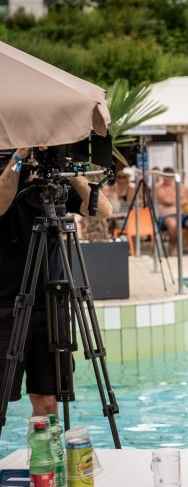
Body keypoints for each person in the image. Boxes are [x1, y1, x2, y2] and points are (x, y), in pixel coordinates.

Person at [0, 147, 112, 419]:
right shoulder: (7, 165)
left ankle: (46, 447)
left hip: (52, 300)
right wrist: (19, 157)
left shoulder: (57, 176)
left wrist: (71, 171)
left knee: (49, 397)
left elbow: (102, 210)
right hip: (7, 300)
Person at [155, 167, 188, 255]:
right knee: (173, 224)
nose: (167, 178)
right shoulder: (159, 188)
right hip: (166, 217)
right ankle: (174, 246)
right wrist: (180, 200)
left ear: (173, 176)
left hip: (180, 215)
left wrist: (175, 202)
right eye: (165, 176)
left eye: (169, 176)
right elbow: (166, 200)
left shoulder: (179, 187)